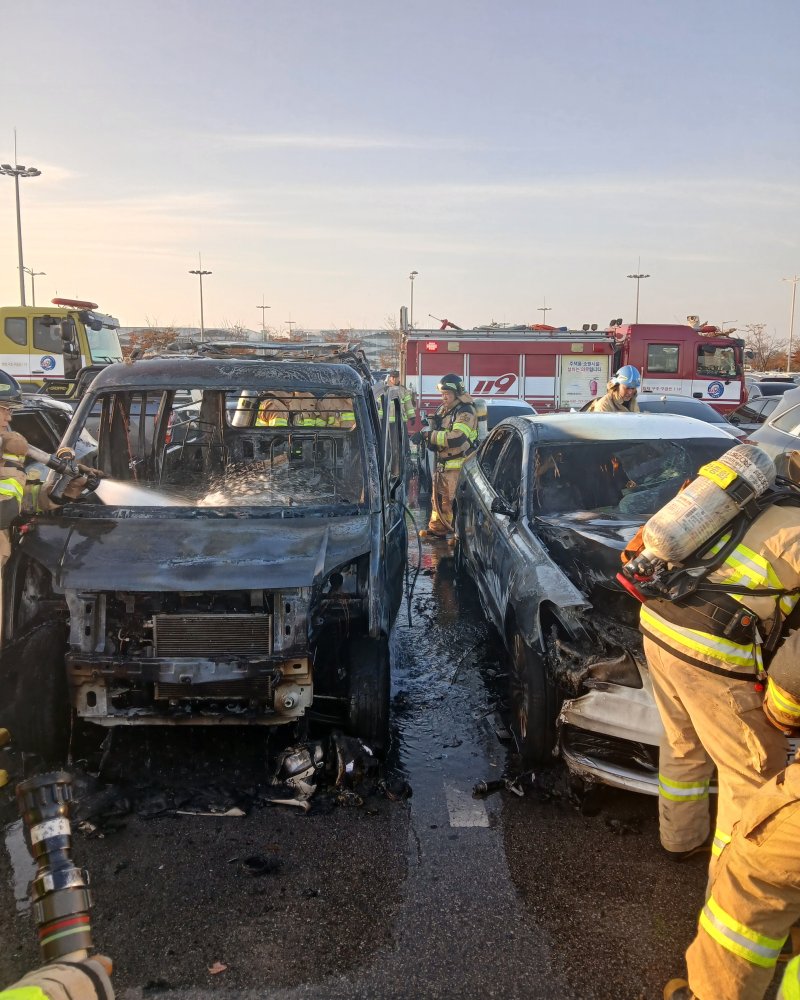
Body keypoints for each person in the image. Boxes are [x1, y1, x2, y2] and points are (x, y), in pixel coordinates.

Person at [639, 450, 800, 867]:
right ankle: (734, 878)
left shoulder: (756, 501)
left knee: (683, 741)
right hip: (713, 651)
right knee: (752, 772)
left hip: (659, 622)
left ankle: (680, 839)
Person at [664, 631, 800, 1000]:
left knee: (757, 880)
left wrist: (779, 711)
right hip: (705, 647)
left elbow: (790, 687)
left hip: (667, 632)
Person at [420, 373, 477, 539]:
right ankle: (438, 530)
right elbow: (439, 431)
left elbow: (457, 437)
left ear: (457, 394)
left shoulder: (465, 411)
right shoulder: (444, 410)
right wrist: (429, 433)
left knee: (454, 502)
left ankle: (459, 536)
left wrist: (428, 436)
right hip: (444, 464)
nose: (443, 397)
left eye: (447, 394)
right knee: (439, 499)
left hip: (459, 465)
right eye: (442, 394)